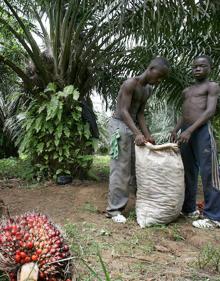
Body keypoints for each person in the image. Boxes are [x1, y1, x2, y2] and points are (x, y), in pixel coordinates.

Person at [106, 57, 170, 223]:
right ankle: (114, 210)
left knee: (137, 166)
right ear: (151, 69)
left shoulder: (148, 89)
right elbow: (124, 111)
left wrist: (147, 134)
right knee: (121, 168)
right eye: (159, 76)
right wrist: (137, 133)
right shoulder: (130, 84)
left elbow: (140, 113)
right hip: (119, 125)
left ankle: (137, 203)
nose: (159, 80)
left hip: (132, 125)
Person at [170, 55, 220, 228]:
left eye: (202, 66)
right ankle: (189, 208)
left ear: (209, 68)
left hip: (201, 132)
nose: (198, 69)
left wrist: (190, 130)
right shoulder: (187, 91)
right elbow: (184, 115)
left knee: (209, 173)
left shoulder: (212, 86)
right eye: (195, 66)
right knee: (187, 171)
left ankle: (214, 217)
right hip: (186, 133)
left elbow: (210, 111)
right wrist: (177, 129)